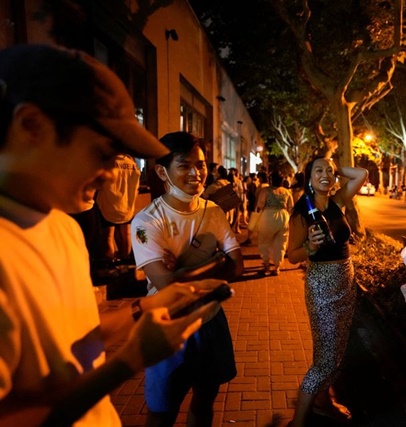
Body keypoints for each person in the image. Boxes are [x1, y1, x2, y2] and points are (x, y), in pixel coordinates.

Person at [0, 44, 219, 426]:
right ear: (31, 126)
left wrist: (145, 310)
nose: (112, 173)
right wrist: (128, 363)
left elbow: (73, 343)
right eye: (103, 154)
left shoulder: (62, 227)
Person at [131, 131, 244, 427]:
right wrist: (218, 261)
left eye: (201, 164)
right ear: (162, 171)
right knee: (162, 413)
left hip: (210, 321)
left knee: (205, 402)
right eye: (184, 165)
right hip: (166, 328)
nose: (196, 173)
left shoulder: (213, 211)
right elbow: (169, 287)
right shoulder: (147, 221)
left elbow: (238, 266)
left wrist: (183, 272)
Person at [286, 156, 367, 427]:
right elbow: (291, 256)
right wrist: (309, 246)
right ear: (308, 176)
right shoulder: (301, 212)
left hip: (345, 279)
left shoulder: (337, 201)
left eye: (330, 171)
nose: (326, 174)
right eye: (318, 171)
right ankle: (297, 422)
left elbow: (361, 174)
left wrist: (333, 168)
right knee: (324, 359)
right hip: (321, 284)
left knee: (337, 348)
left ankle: (324, 401)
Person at [96, 153, 141, 263]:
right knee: (126, 234)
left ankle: (111, 265)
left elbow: (99, 183)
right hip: (126, 204)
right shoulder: (132, 163)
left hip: (108, 203)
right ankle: (125, 264)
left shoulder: (107, 162)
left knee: (108, 236)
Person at [255, 171, 294, 275]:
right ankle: (277, 267)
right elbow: (291, 207)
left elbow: (259, 205)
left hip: (268, 216)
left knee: (264, 241)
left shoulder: (265, 191)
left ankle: (266, 265)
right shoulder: (286, 192)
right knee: (281, 243)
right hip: (283, 217)